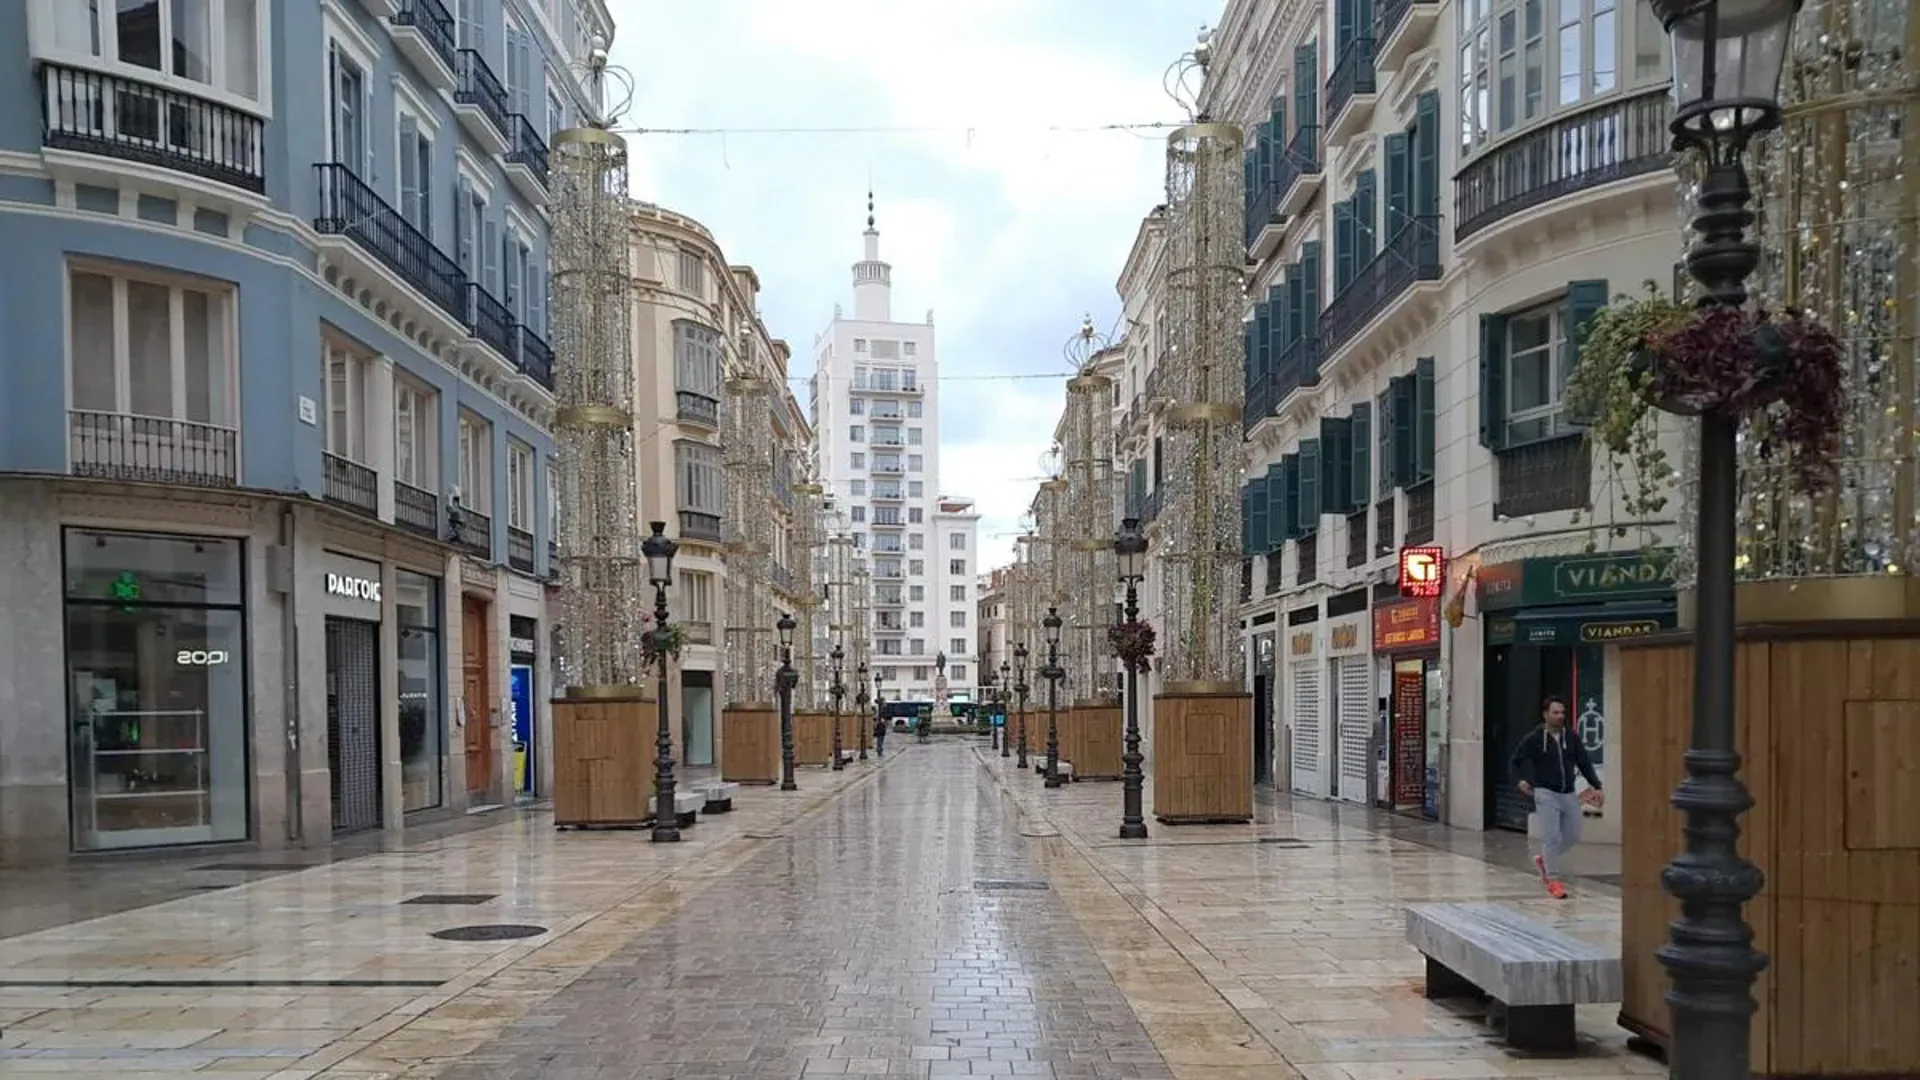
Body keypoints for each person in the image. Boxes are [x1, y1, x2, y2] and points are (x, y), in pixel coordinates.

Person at [1508, 695, 1604, 899]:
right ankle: (1552, 880)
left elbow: (1584, 762)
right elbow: (1515, 761)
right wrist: (1520, 781)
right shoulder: (1534, 738)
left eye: (1562, 713)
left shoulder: (1571, 738)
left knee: (1572, 836)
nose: (1560, 716)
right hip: (1545, 792)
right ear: (1545, 714)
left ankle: (1544, 860)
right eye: (1555, 712)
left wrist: (1597, 786)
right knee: (1551, 837)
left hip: (1568, 792)